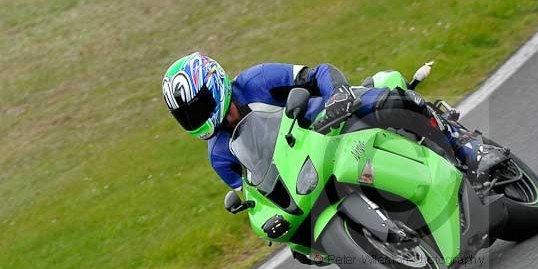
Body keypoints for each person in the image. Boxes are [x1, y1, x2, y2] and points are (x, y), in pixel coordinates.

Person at [161, 52, 498, 190]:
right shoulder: (220, 154)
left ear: (215, 82)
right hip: (310, 173)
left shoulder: (258, 80)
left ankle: (465, 148)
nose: (197, 118)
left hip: (335, 120)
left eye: (198, 106)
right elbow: (256, 197)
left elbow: (318, 73)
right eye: (186, 116)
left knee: (385, 100)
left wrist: (338, 96)